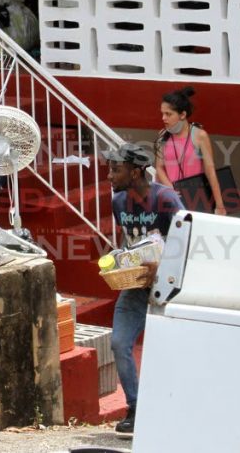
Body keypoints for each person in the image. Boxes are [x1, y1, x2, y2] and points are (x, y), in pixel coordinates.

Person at [103, 143, 183, 439]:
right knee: (119, 342)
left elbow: (187, 240)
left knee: (171, 349)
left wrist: (161, 268)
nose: (110, 176)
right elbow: (132, 241)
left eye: (115, 169)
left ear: (135, 172)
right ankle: (136, 408)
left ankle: (176, 406)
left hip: (170, 286)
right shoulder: (119, 202)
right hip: (136, 286)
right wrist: (120, 263)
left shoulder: (167, 198)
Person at [154, 86, 227, 216]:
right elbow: (159, 167)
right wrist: (169, 188)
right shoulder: (162, 136)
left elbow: (210, 171)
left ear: (182, 115)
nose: (163, 118)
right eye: (162, 113)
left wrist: (220, 205)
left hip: (197, 199)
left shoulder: (200, 135)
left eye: (168, 114)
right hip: (171, 200)